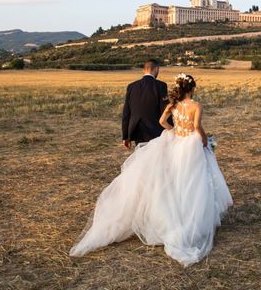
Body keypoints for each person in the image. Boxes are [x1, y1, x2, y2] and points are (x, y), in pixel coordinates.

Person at [69, 73, 232, 267]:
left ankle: (172, 218)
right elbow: (197, 126)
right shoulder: (196, 106)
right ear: (192, 88)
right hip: (190, 147)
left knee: (173, 182)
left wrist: (173, 132)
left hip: (176, 144)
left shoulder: (174, 105)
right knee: (192, 183)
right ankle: (191, 221)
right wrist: (205, 141)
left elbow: (162, 122)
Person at [121, 59, 169, 148]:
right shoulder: (161, 86)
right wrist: (171, 129)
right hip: (156, 129)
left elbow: (126, 112)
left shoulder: (132, 86)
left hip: (137, 129)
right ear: (156, 69)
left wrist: (125, 136)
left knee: (141, 157)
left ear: (144, 70)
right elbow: (165, 109)